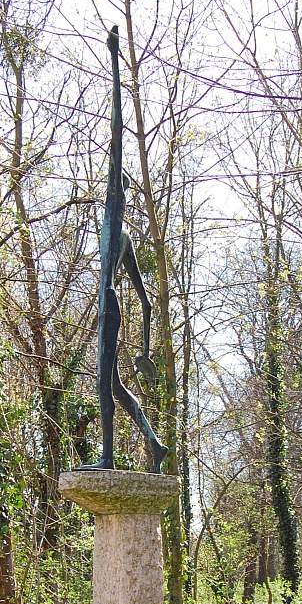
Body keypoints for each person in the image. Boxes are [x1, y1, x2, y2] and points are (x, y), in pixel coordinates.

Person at [77, 25, 168, 474]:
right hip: (109, 305)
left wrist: (114, 59)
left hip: (108, 304)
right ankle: (154, 444)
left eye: (116, 180)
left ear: (119, 188)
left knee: (102, 383)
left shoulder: (114, 211)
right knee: (114, 386)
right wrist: (145, 351)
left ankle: (109, 456)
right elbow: (147, 303)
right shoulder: (126, 237)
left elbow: (117, 129)